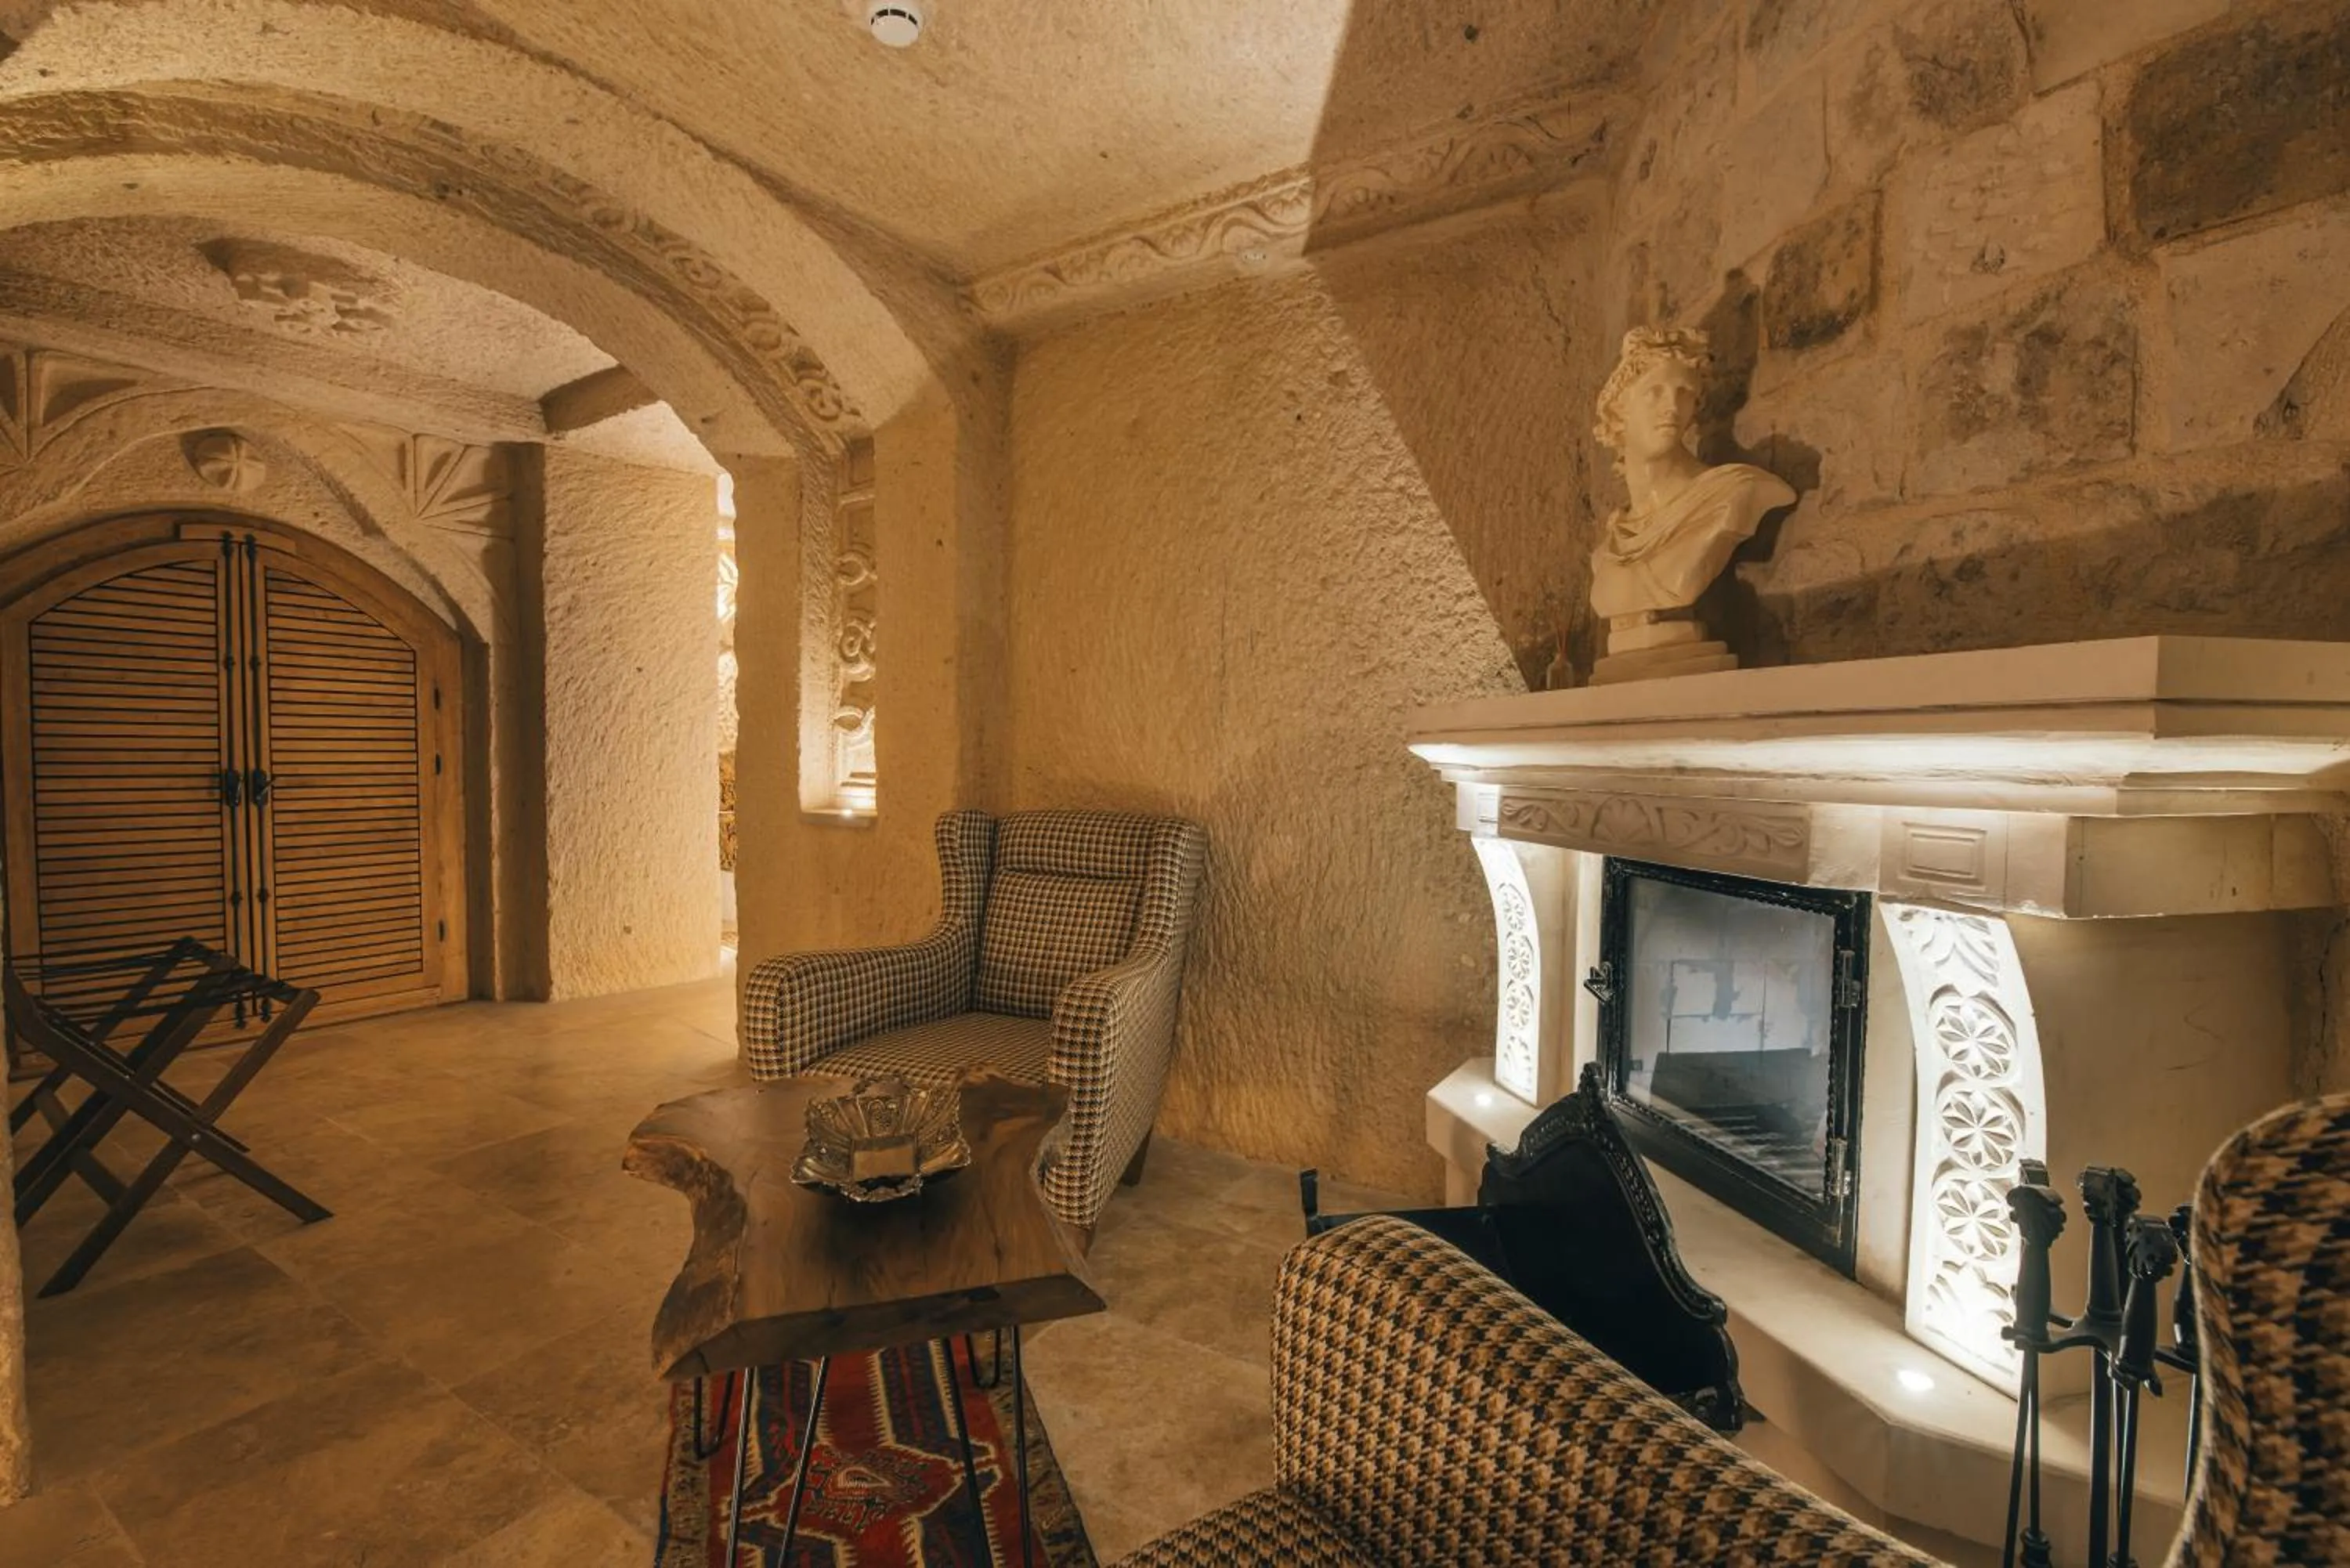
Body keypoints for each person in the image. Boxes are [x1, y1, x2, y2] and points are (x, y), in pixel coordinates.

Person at [1589, 327, 1795, 668]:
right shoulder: (1605, 554)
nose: (1671, 407)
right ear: (1619, 409)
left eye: (1685, 394)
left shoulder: (1732, 493)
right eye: (1654, 392)